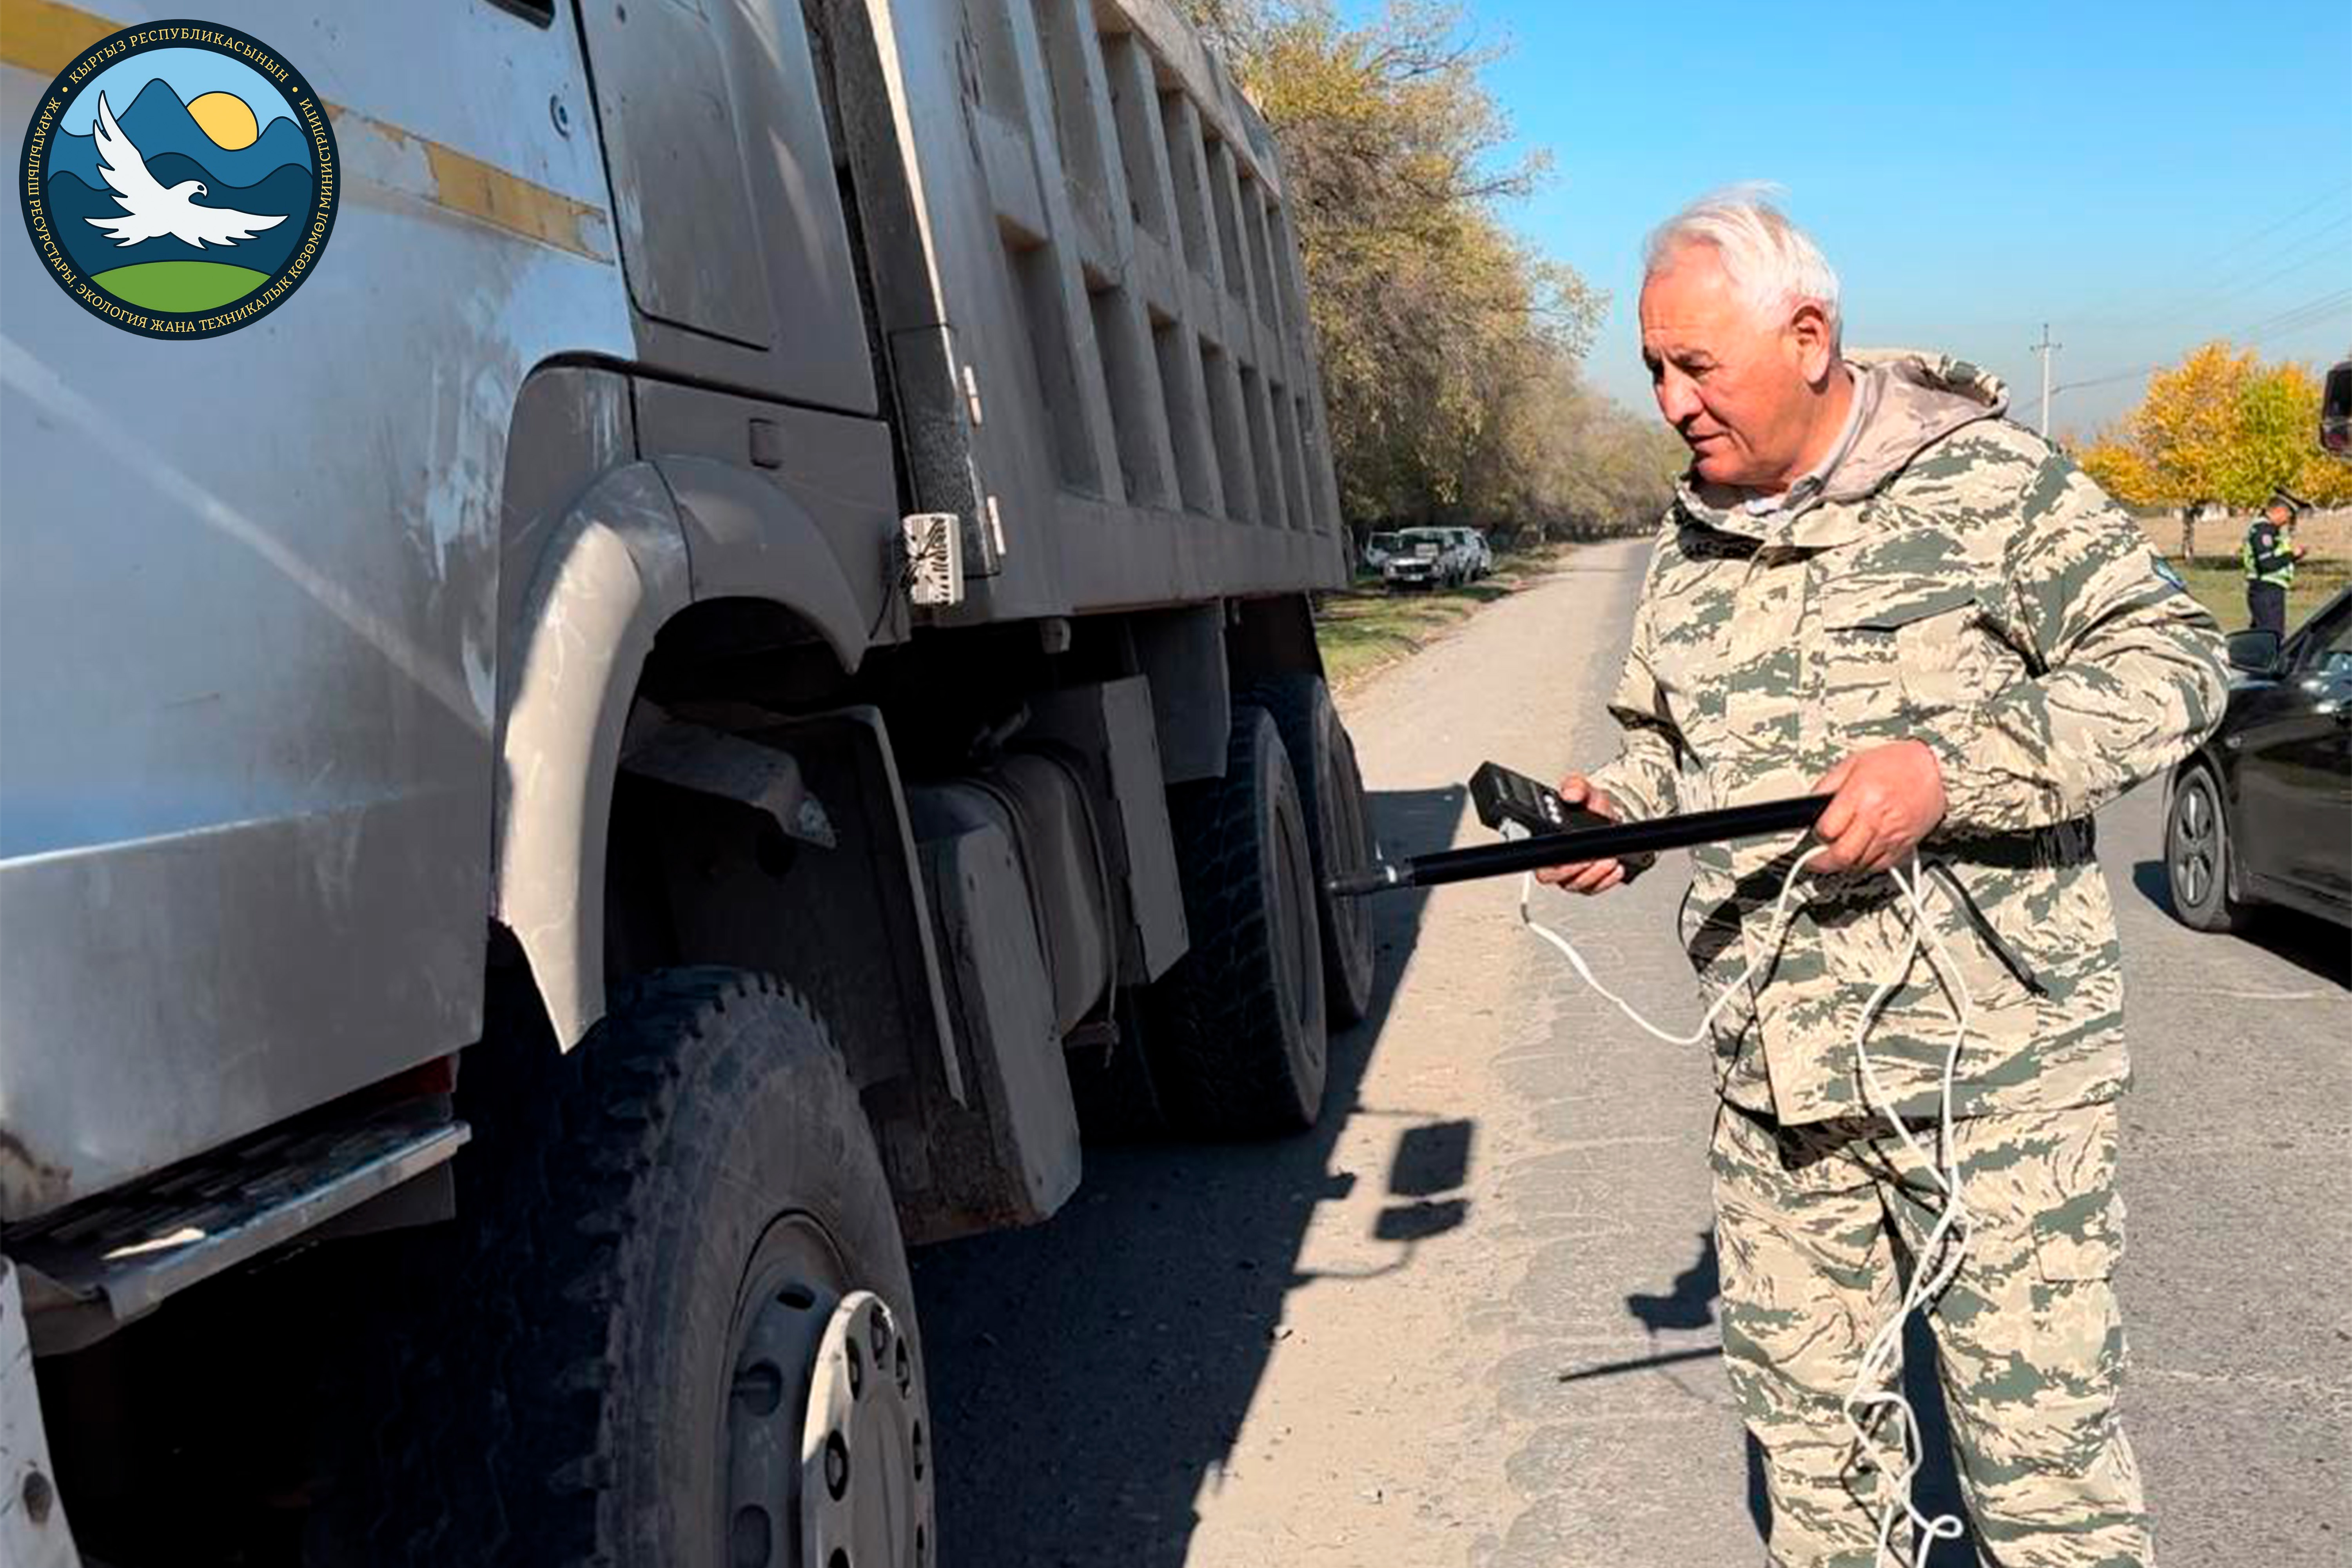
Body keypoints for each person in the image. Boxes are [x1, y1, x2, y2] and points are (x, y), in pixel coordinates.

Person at [1539, 191, 2227, 1566]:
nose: (1671, 402)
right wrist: (1622, 808)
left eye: (1695, 366)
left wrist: (1948, 772)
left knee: (2043, 1487)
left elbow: (2178, 664)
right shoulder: (1694, 534)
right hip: (1776, 1092)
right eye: (1653, 368)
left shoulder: (1994, 486)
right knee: (1817, 1478)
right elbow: (1674, 745)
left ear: (1807, 337)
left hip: (1997, 1091)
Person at [2241, 490, 2306, 637]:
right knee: (2272, 636)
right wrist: (2292, 555)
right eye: (2288, 515)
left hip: (2269, 589)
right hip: (2266, 590)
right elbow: (2267, 564)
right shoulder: (2264, 531)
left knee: (2261, 635)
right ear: (2279, 511)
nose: (2288, 520)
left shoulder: (2270, 531)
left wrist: (2293, 557)